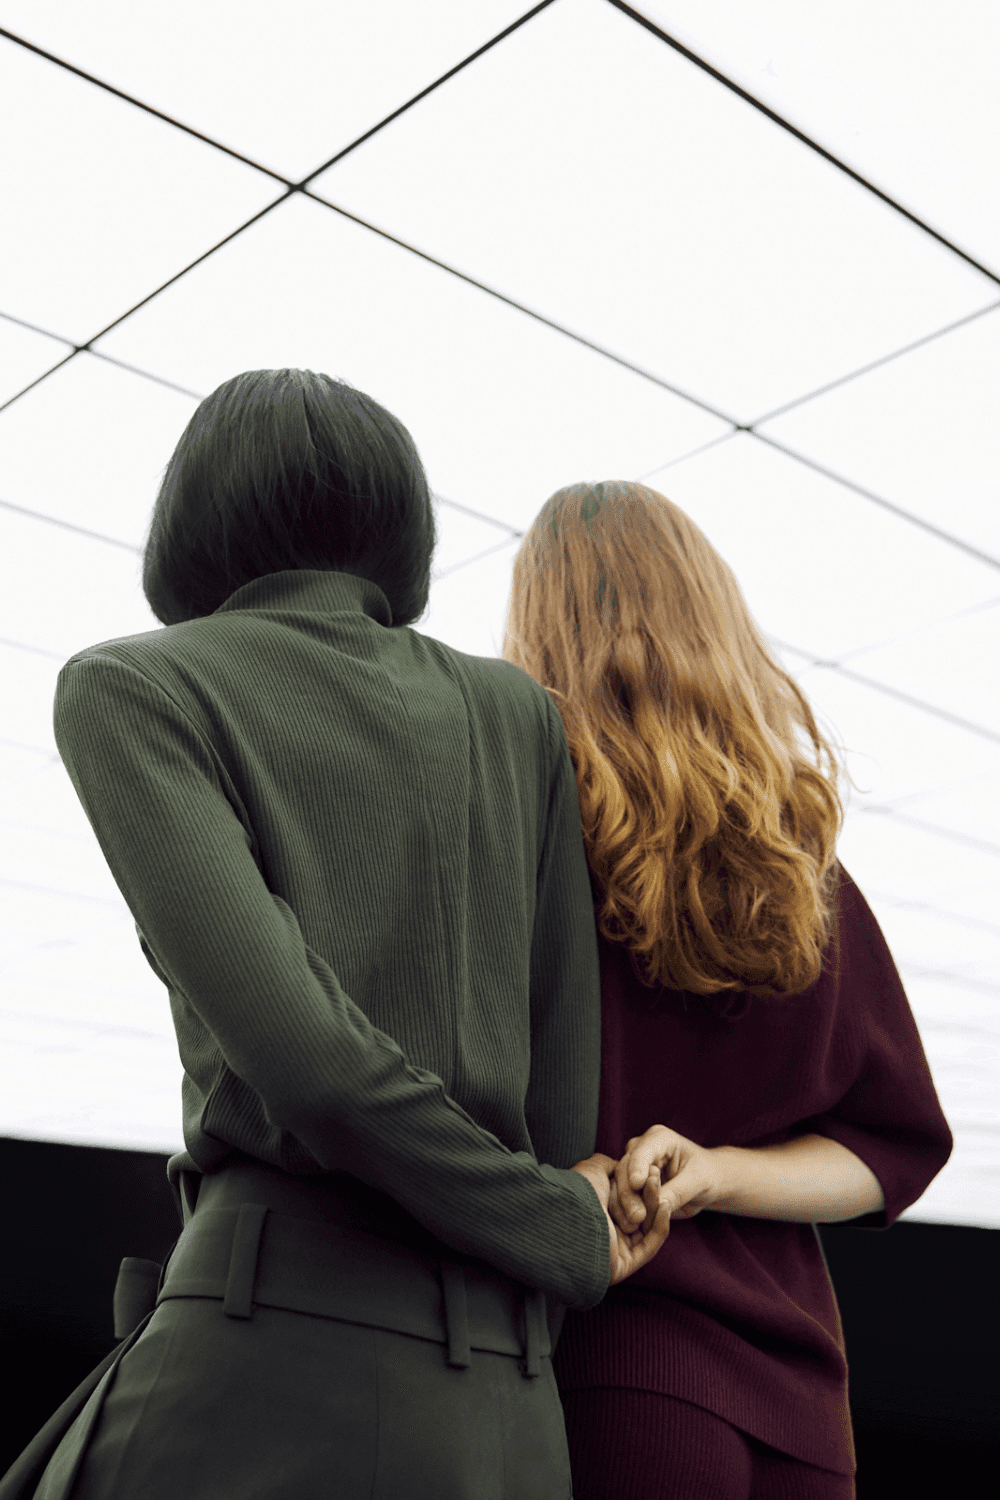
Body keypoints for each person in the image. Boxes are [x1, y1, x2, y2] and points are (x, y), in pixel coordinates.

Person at [1, 367, 950, 1500]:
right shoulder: (771, 858)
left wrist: (567, 1220)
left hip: (529, 1348)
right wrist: (663, 1186)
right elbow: (877, 1147)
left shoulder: (149, 691)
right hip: (694, 1389)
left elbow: (362, 1076)